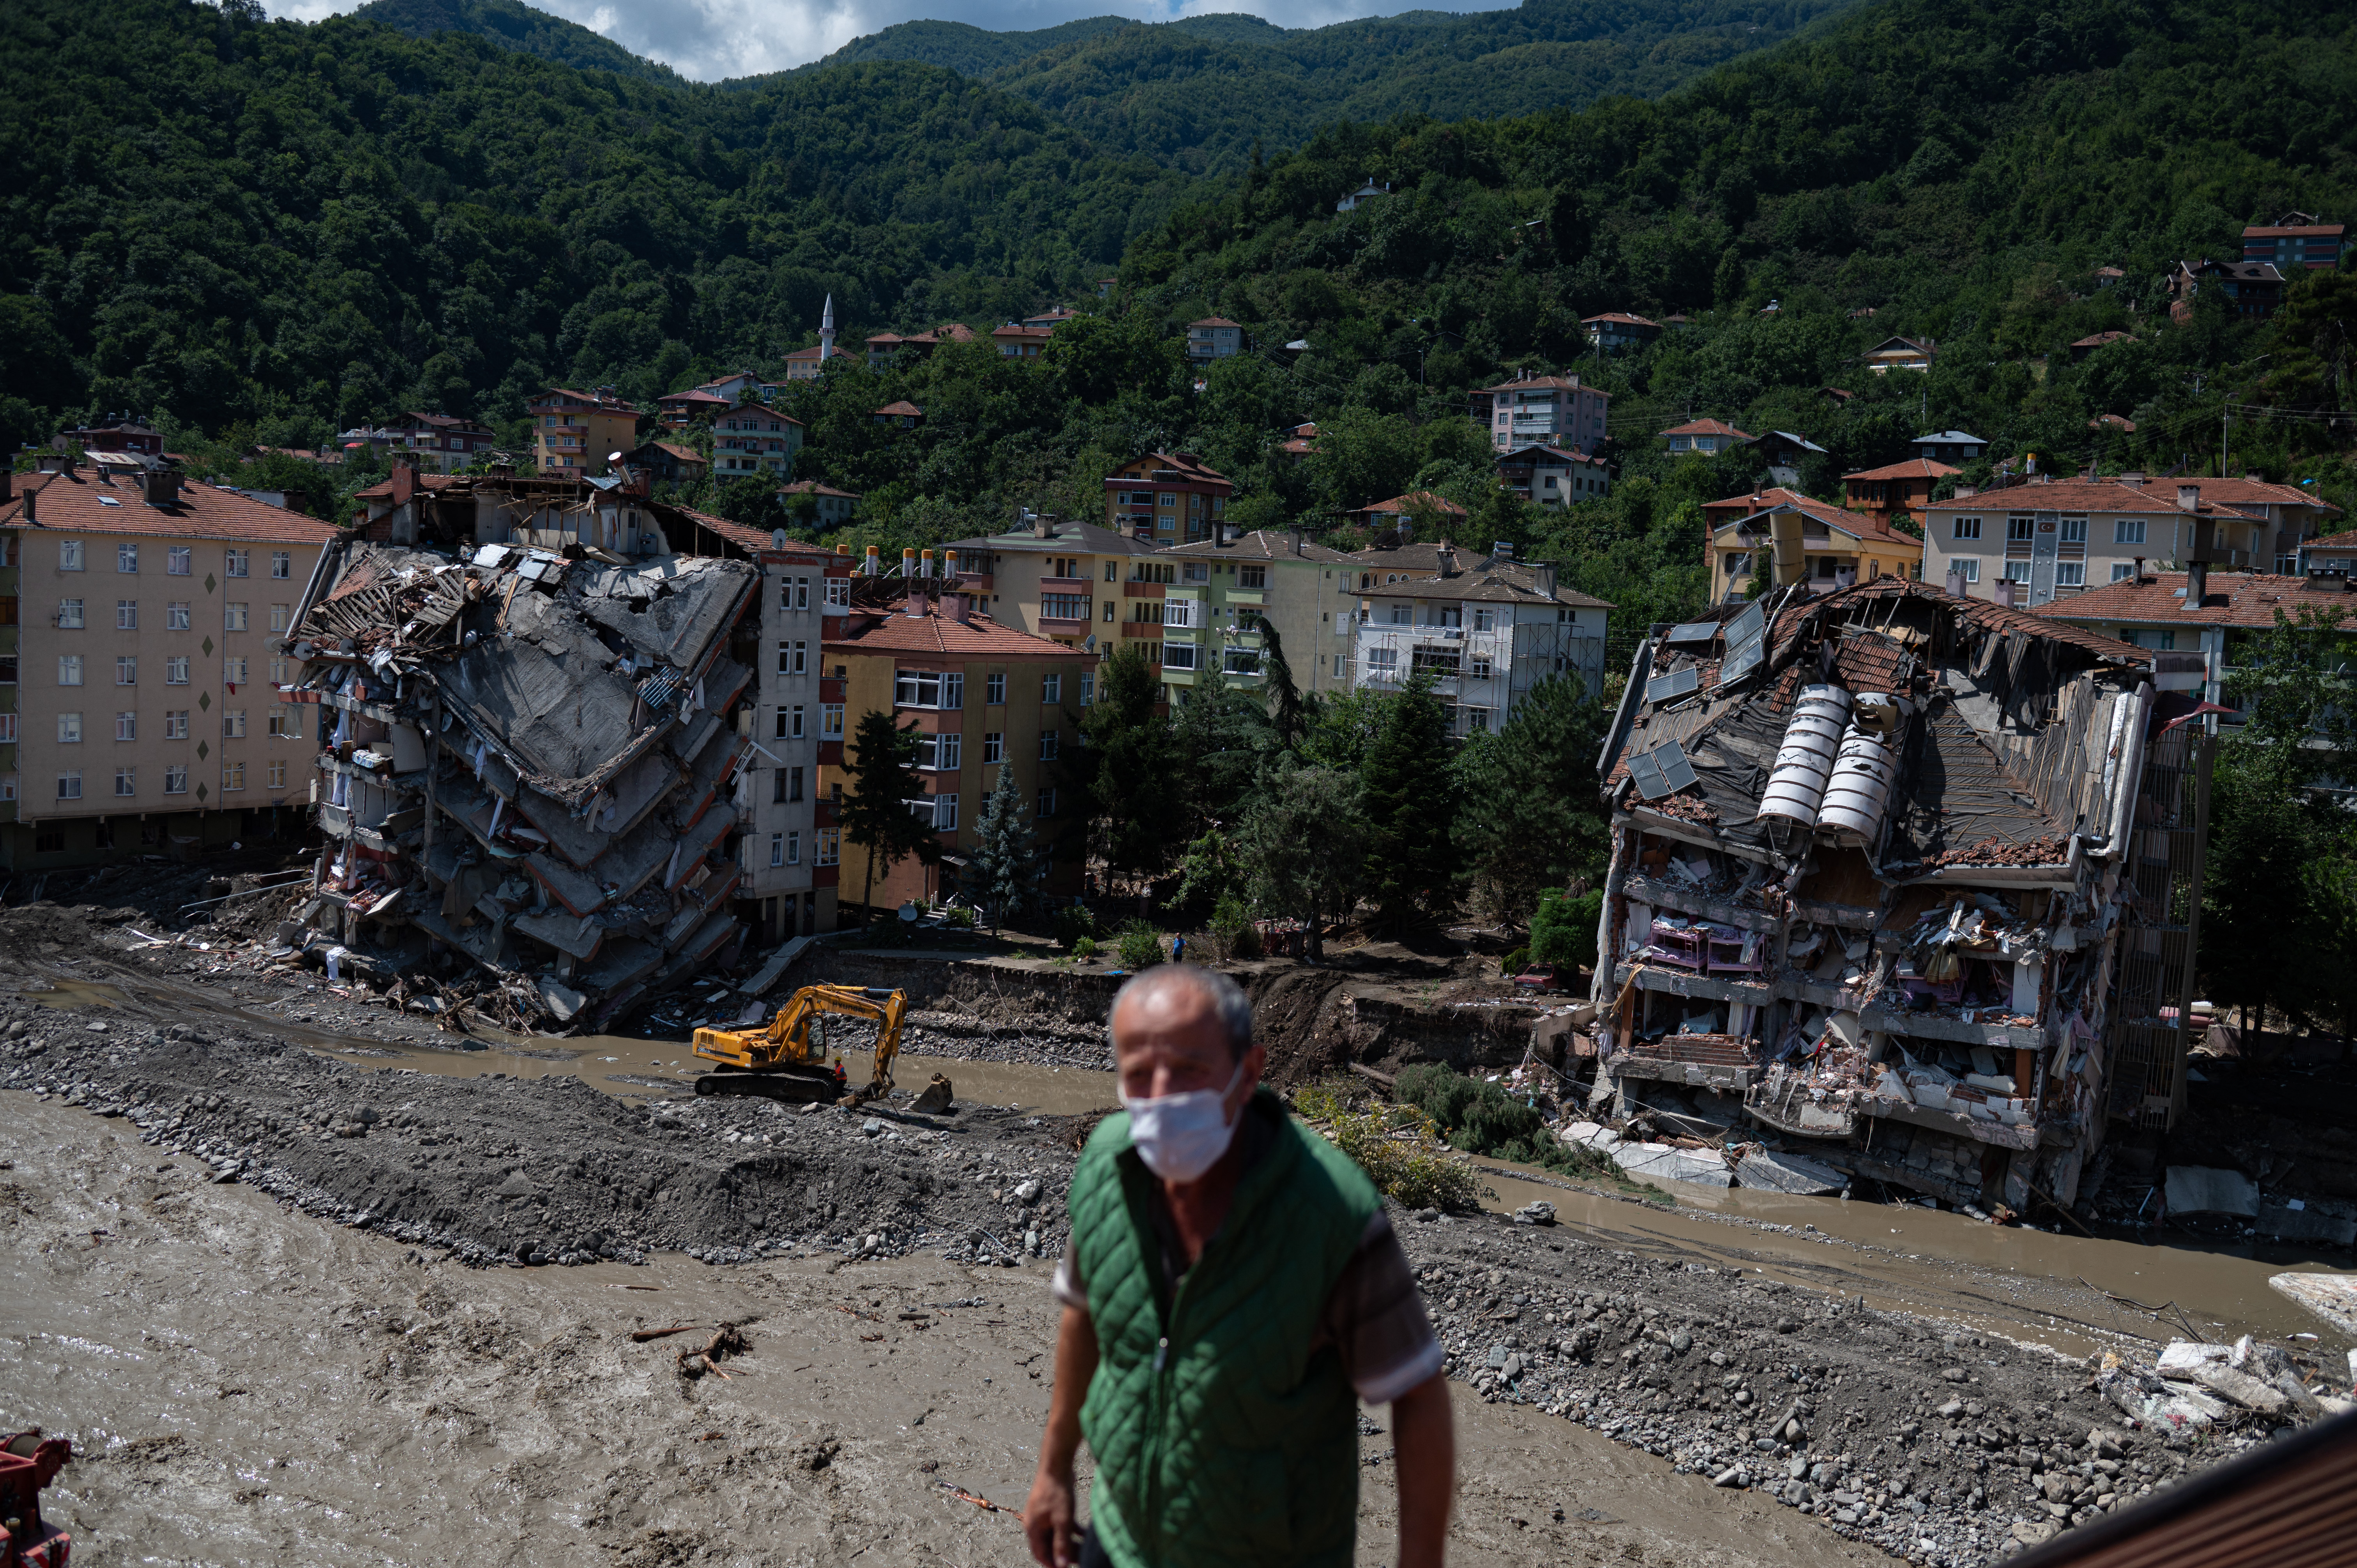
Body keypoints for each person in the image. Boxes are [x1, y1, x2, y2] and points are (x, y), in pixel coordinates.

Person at [1026, 966, 1454, 1568]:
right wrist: (1053, 1471)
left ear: (1249, 1073)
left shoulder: (1332, 1213)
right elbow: (1084, 1313)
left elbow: (1417, 1392)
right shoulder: (1106, 1169)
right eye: (1140, 1076)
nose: (1164, 1097)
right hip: (1123, 1540)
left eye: (1190, 1072)